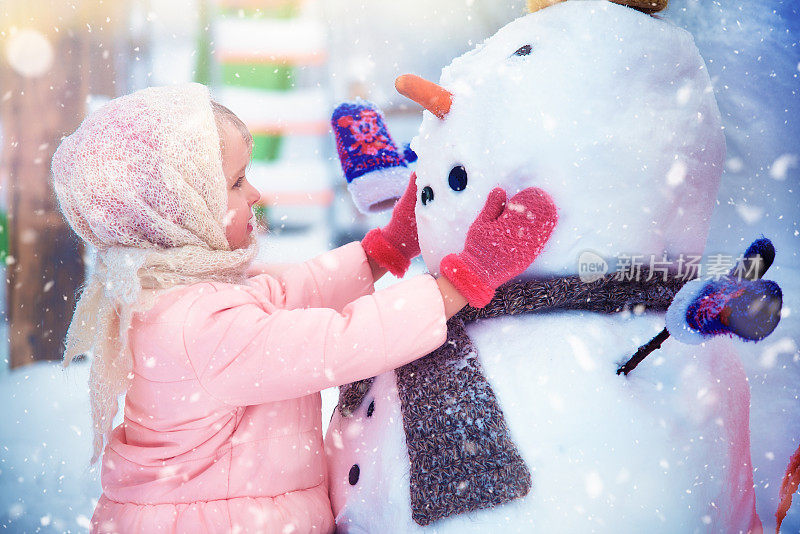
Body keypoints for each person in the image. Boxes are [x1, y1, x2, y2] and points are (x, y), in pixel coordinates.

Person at [51, 83, 556, 533]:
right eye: (235, 183)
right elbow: (335, 344)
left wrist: (384, 251)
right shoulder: (194, 327)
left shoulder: (177, 296)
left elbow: (289, 294)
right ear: (179, 213)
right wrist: (461, 281)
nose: (256, 193)